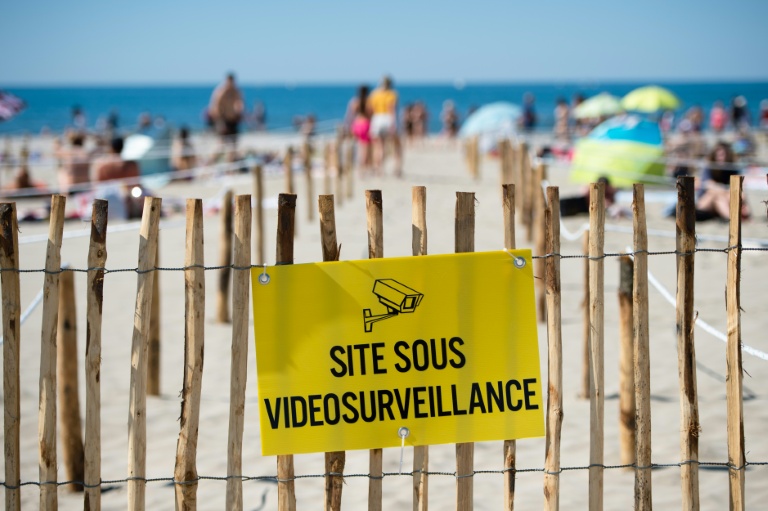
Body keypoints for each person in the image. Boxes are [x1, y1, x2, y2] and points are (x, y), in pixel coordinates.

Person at [695, 141, 749, 221]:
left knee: (720, 197)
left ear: (728, 155)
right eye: (717, 155)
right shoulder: (710, 166)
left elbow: (741, 188)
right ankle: (732, 220)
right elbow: (708, 184)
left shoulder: (732, 168)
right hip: (708, 202)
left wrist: (721, 190)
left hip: (723, 199)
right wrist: (725, 190)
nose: (720, 158)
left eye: (722, 155)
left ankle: (731, 219)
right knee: (714, 195)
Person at [92, 137, 143, 218]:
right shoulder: (131, 164)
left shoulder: (100, 163)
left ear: (110, 148)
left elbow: (96, 185)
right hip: (124, 199)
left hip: (103, 199)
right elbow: (136, 184)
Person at [367, 75, 402, 176]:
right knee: (396, 145)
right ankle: (397, 169)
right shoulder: (392, 94)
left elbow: (370, 110)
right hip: (388, 118)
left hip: (376, 119)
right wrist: (393, 123)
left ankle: (379, 169)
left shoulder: (374, 94)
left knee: (378, 146)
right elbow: (392, 109)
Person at [208, 72, 245, 157]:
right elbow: (215, 107)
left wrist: (240, 112)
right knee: (221, 144)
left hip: (233, 120)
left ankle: (231, 162)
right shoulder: (221, 91)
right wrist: (220, 122)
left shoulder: (236, 91)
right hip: (223, 120)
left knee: (234, 144)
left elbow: (240, 103)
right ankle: (211, 161)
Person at [55, 130, 91, 195]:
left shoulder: (69, 152)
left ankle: (63, 193)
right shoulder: (86, 153)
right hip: (86, 185)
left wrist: (61, 141)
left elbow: (56, 151)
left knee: (61, 171)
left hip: (73, 186)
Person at [348, 85, 372, 174]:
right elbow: (370, 114)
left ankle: (359, 168)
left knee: (358, 148)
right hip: (365, 125)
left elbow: (350, 115)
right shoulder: (368, 101)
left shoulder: (355, 102)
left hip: (356, 125)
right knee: (365, 149)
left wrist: (350, 127)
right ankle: (363, 169)